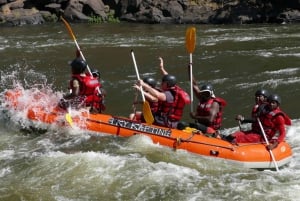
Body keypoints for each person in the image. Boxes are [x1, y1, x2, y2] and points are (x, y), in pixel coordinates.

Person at [227, 94, 291, 150]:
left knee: (237, 139)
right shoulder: (264, 110)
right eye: (270, 102)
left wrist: (274, 145)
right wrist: (243, 119)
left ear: (277, 104)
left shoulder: (279, 117)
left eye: (273, 103)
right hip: (255, 132)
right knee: (233, 135)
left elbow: (283, 133)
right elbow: (255, 119)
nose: (271, 104)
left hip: (263, 136)